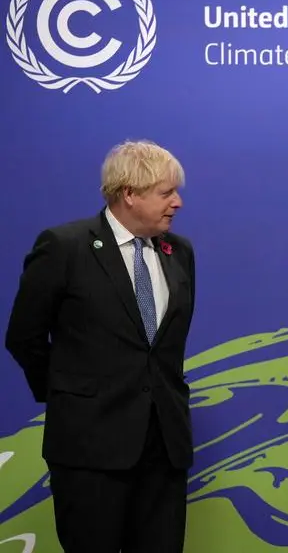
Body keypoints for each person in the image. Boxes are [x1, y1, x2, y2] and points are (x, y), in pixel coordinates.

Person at [4, 140, 196, 553]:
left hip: (164, 447)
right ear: (130, 193)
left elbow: (165, 348)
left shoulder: (179, 252)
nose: (177, 203)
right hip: (89, 448)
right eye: (166, 193)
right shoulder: (64, 246)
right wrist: (70, 394)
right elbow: (24, 336)